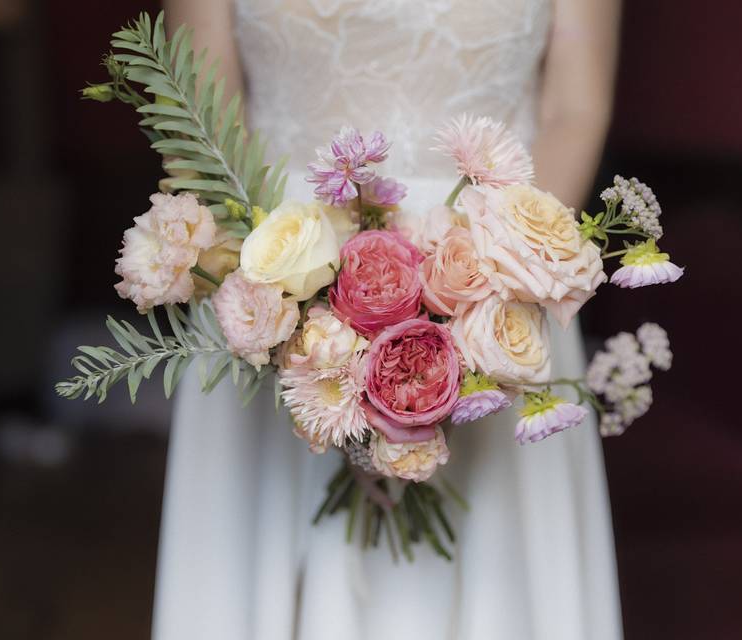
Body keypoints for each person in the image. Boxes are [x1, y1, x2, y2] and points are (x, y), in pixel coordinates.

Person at [153, 1, 622, 638]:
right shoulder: (275, 298)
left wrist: (486, 298)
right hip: (273, 274)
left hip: (500, 287)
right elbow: (197, 116)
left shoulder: (499, 287)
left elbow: (574, 108)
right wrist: (289, 319)